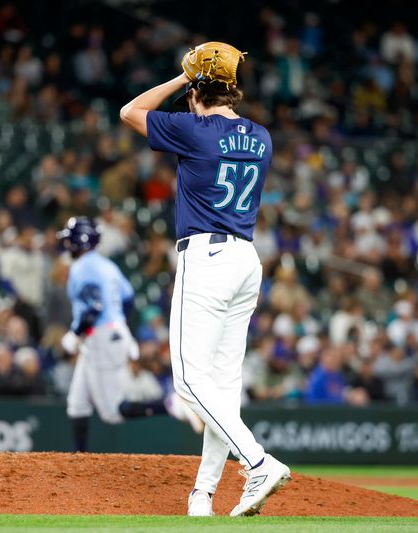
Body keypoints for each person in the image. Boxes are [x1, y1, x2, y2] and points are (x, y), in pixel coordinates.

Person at [119, 41, 290, 518]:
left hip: (207, 257)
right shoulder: (261, 135)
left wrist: (182, 77)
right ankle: (203, 496)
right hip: (246, 260)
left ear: (197, 91)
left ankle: (257, 462)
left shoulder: (196, 130)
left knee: (189, 383)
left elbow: (131, 110)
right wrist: (202, 81)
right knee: (221, 386)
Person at [58, 217, 203, 451]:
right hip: (110, 333)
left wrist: (75, 334)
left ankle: (171, 405)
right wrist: (117, 325)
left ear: (78, 242)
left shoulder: (81, 267)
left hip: (99, 336)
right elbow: (128, 300)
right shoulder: (108, 265)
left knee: (113, 412)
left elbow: (93, 308)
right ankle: (78, 457)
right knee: (77, 402)